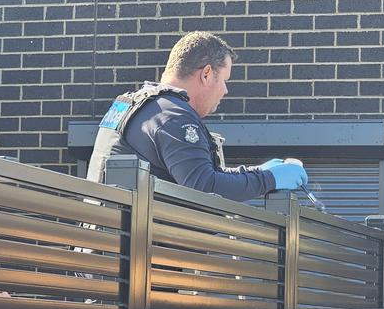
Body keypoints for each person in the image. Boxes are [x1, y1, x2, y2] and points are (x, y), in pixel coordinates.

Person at [87, 31, 308, 202]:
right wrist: (268, 179)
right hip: (138, 254)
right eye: (224, 80)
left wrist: (256, 172)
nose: (225, 90)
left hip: (106, 246)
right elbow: (204, 187)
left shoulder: (140, 106)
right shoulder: (173, 117)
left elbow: (199, 174)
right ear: (206, 74)